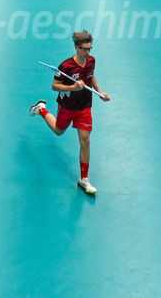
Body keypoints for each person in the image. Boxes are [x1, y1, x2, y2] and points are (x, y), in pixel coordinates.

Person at [28, 30, 111, 195]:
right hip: (67, 106)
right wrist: (73, 87)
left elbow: (90, 75)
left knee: (85, 141)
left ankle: (84, 180)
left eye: (90, 49)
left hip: (85, 106)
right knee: (58, 131)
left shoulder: (91, 61)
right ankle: (42, 109)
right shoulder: (65, 66)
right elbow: (54, 86)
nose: (88, 52)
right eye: (84, 49)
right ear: (76, 47)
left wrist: (100, 92)